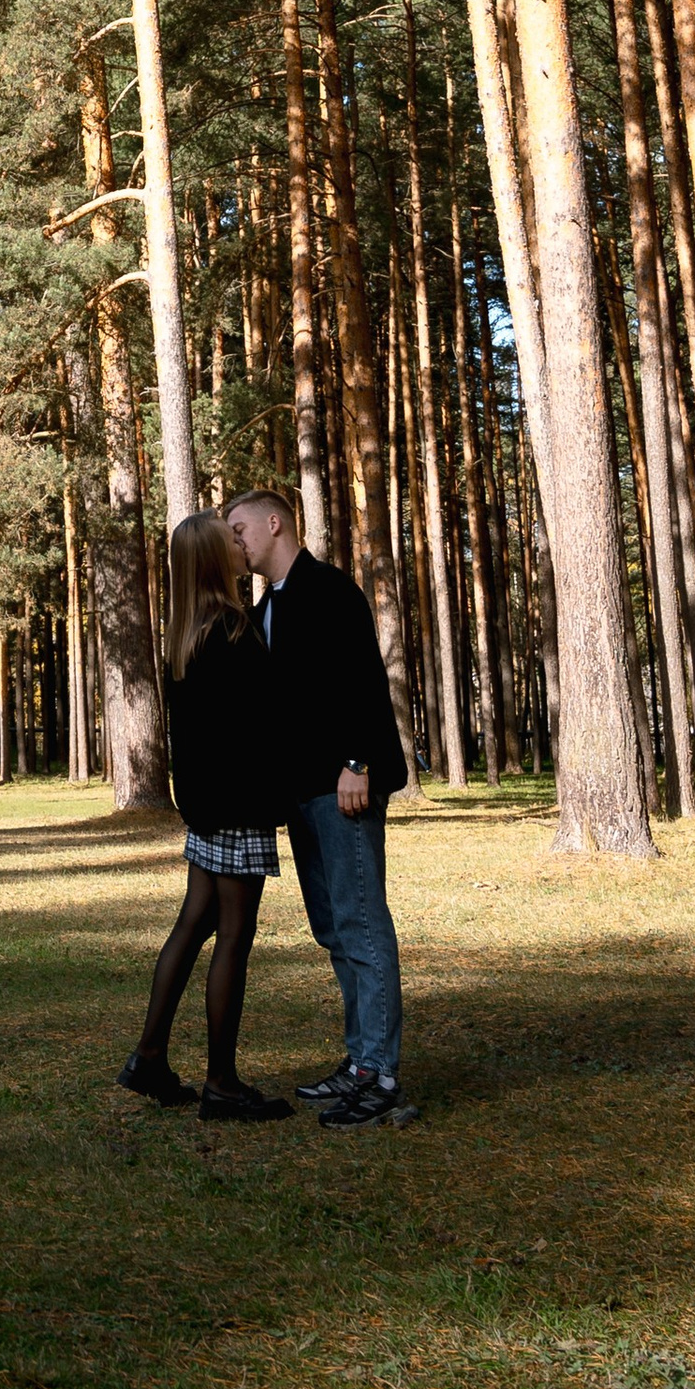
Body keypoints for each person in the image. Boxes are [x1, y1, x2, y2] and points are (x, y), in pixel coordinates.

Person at [226, 483, 415, 1128]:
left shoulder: (331, 591)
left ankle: (381, 1076)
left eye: (240, 530)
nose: (236, 543)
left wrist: (358, 762)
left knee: (362, 925)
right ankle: (360, 1062)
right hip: (301, 794)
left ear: (275, 524)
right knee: (335, 928)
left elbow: (363, 681)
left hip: (346, 787)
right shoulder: (264, 609)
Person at [120, 509, 292, 1122]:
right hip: (239, 807)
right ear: (217, 560)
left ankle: (148, 1058)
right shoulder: (236, 632)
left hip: (206, 809)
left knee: (193, 925)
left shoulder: (187, 634)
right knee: (234, 939)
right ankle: (221, 1083)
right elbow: (264, 724)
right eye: (231, 541)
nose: (241, 545)